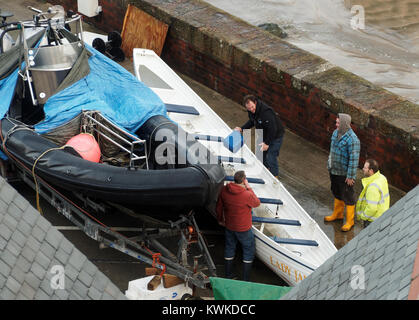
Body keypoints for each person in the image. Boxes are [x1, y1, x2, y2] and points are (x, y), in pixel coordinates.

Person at [216, 170, 261, 281]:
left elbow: (219, 207)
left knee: (230, 248)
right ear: (243, 180)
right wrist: (249, 187)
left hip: (230, 226)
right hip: (243, 228)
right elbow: (257, 203)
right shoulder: (246, 194)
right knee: (248, 250)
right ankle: (245, 279)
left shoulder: (224, 190)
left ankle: (228, 275)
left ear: (234, 179)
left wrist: (220, 219)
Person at [324, 113, 360, 232]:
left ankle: (350, 221)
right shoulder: (335, 133)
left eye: (338, 123)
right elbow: (331, 151)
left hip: (344, 174)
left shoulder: (353, 140)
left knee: (348, 196)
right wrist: (329, 164)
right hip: (334, 170)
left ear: (344, 124)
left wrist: (350, 176)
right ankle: (338, 214)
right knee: (336, 192)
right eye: (336, 122)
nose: (336, 124)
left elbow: (354, 160)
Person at [234, 95, 285, 178]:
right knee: (259, 155)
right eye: (249, 109)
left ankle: (274, 176)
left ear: (255, 103)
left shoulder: (266, 112)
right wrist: (242, 128)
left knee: (271, 156)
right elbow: (252, 121)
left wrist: (267, 144)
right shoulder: (251, 111)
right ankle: (266, 169)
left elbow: (273, 129)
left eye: (252, 107)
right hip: (263, 134)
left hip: (275, 136)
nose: (251, 110)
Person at [356, 159, 390, 228]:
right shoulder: (382, 177)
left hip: (372, 221)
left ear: (371, 171)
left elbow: (372, 208)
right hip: (382, 215)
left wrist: (363, 216)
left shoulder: (372, 187)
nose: (363, 169)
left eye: (365, 168)